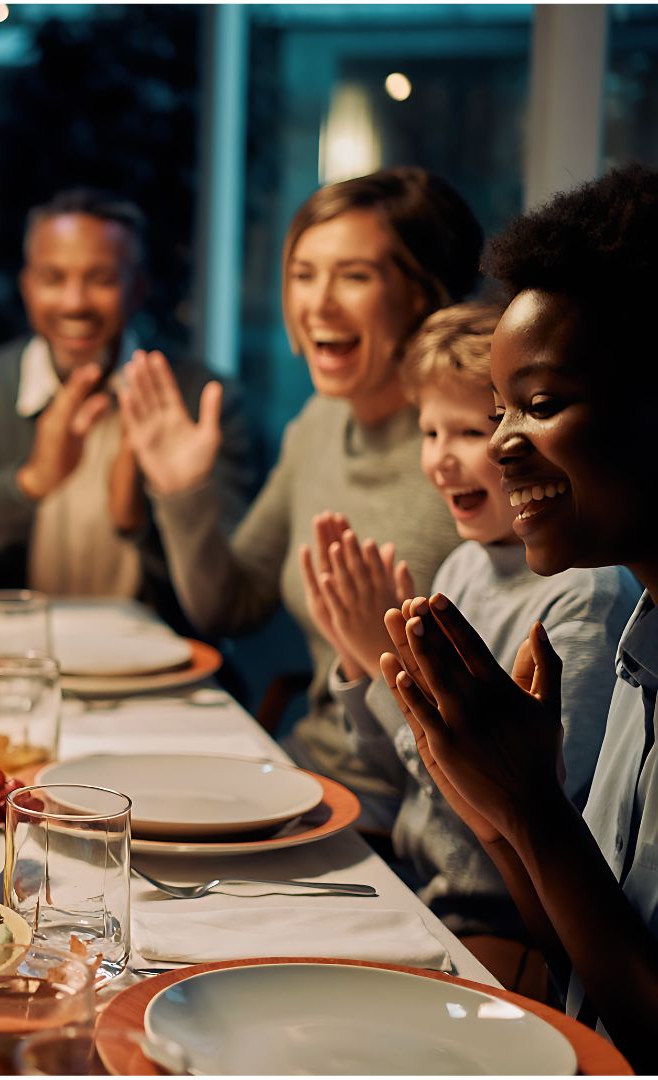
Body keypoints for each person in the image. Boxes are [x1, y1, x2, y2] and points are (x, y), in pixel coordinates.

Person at [379, 164, 658, 1068]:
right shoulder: (639, 637)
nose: (499, 447)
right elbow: (587, 947)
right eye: (497, 412)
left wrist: (533, 806)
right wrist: (498, 811)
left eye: (539, 406)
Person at [118, 167, 479, 831]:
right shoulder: (317, 424)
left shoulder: (472, 458)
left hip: (412, 818)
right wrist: (183, 493)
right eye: (304, 273)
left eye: (355, 276)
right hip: (306, 775)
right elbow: (231, 603)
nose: (318, 304)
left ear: (426, 292)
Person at [307, 303, 636, 961]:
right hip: (420, 891)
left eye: (466, 431)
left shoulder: (580, 594)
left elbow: (530, 829)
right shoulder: (465, 564)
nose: (441, 460)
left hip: (501, 926)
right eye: (429, 432)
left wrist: (387, 680)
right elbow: (402, 781)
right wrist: (365, 668)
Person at [0, 188, 255, 616]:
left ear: (137, 288)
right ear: (27, 288)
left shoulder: (202, 401)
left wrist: (137, 521)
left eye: (101, 279)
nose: (74, 302)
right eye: (53, 278)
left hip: (159, 665)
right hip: (6, 657)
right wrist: (32, 482)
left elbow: (225, 610)